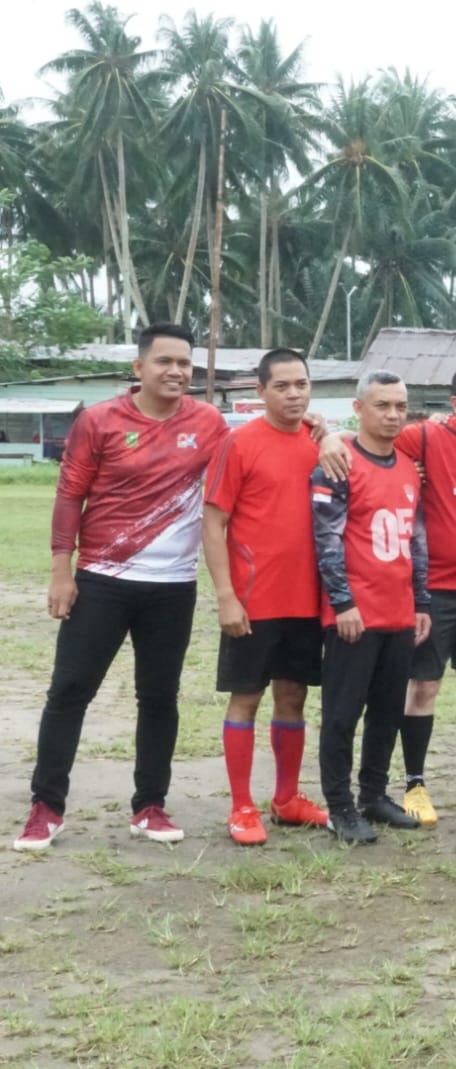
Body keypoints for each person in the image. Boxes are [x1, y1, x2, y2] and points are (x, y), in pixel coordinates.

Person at [13, 323, 229, 852]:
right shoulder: (100, 420)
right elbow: (69, 497)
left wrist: (319, 429)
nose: (176, 371)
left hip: (172, 587)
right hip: (103, 582)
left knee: (159, 697)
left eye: (185, 363)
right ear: (139, 369)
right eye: (165, 362)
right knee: (69, 692)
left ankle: (150, 806)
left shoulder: (209, 424)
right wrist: (62, 571)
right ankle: (46, 807)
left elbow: (250, 463)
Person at [319, 360, 456, 825]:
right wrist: (325, 435)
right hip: (430, 589)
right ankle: (413, 785)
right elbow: (368, 437)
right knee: (422, 687)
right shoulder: (425, 437)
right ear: (455, 404)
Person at [201, 349, 331, 845]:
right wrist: (226, 596)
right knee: (246, 699)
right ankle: (241, 806)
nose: (295, 394)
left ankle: (287, 799)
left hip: (307, 599)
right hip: (254, 600)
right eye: (283, 386)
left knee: (293, 698)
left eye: (302, 384)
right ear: (260, 391)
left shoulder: (320, 443)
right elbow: (213, 522)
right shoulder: (239, 444)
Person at [312, 370, 431, 844]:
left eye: (400, 406)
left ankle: (374, 796)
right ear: (359, 409)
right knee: (343, 713)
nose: (393, 415)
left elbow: (415, 540)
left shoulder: (406, 465)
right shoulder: (337, 461)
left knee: (387, 711)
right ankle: (340, 807)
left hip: (399, 611)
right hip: (353, 615)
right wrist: (342, 603)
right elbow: (326, 539)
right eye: (382, 405)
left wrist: (421, 601)